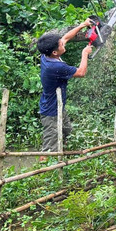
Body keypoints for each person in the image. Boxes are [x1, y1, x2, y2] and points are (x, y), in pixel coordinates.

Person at [36, 18, 94, 152]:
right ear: (55, 52)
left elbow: (66, 37)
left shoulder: (46, 55)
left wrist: (82, 25)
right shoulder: (55, 67)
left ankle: (64, 155)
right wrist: (84, 53)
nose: (63, 44)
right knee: (50, 145)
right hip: (51, 111)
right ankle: (46, 163)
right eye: (61, 45)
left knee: (67, 132)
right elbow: (81, 72)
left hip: (58, 106)